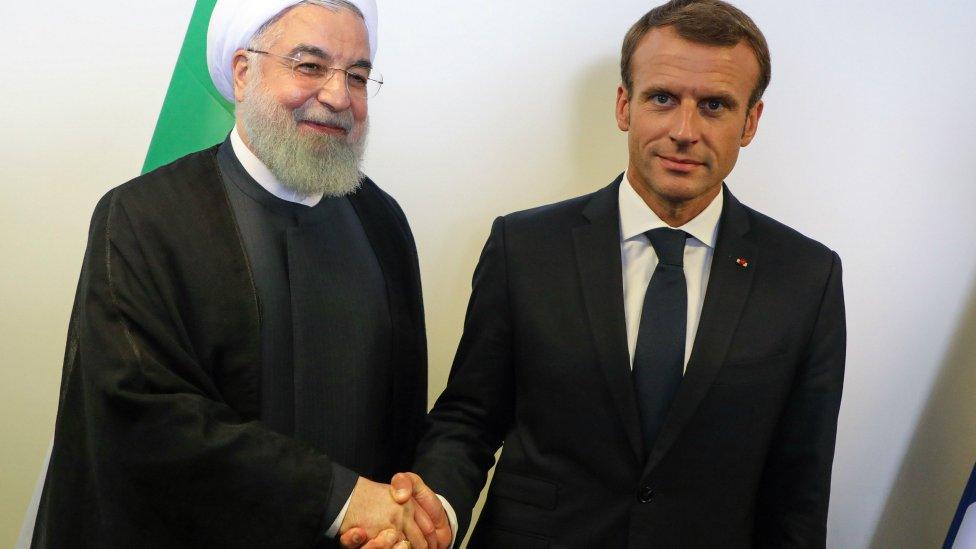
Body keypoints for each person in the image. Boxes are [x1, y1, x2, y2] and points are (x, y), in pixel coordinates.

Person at [409, 0, 847, 546]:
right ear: (624, 105)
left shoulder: (808, 278)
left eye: (714, 105)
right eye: (663, 98)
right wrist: (433, 516)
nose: (684, 130)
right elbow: (469, 420)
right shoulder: (523, 246)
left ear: (751, 122)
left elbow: (799, 489)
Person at [31, 1, 451, 547]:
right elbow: (141, 411)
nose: (337, 96)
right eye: (309, 65)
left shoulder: (382, 220)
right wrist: (340, 500)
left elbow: (399, 413)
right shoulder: (143, 216)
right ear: (243, 71)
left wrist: (400, 515)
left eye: (358, 75)